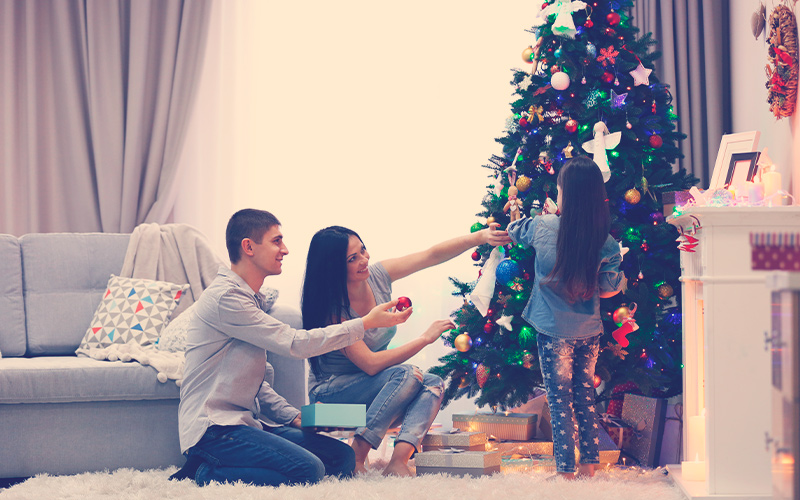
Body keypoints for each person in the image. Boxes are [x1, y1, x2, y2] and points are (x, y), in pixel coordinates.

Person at [170, 209, 412, 487]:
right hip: (215, 430)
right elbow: (295, 343)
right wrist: (365, 324)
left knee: (341, 458)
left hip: (247, 424)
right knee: (307, 470)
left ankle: (229, 461)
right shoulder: (227, 298)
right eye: (277, 241)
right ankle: (203, 472)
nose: (285, 250)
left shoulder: (251, 299)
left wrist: (295, 417)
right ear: (248, 247)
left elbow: (253, 382)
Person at [301, 224, 511, 476]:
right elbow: (371, 364)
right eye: (352, 258)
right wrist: (424, 339)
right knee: (408, 374)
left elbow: (430, 255)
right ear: (334, 267)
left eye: (363, 250)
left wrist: (479, 237)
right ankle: (356, 455)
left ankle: (398, 460)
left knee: (433, 382)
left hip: (372, 392)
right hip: (329, 399)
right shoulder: (333, 309)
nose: (364, 260)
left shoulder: (378, 275)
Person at [506, 156, 624, 480]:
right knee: (585, 395)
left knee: (559, 400)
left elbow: (514, 231)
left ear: (564, 195)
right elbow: (609, 290)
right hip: (589, 331)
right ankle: (589, 465)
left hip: (553, 329)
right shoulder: (607, 242)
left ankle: (566, 470)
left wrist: (540, 215)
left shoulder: (543, 227)